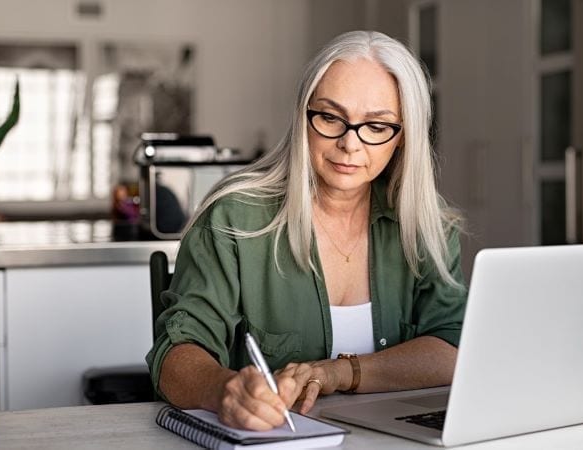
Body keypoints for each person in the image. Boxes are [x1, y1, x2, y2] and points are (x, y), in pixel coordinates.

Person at [146, 30, 467, 431]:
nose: (350, 144)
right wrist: (222, 389)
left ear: (403, 137)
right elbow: (176, 353)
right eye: (331, 118)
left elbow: (452, 348)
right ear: (303, 116)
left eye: (377, 125)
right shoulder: (233, 218)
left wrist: (337, 373)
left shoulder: (427, 224)